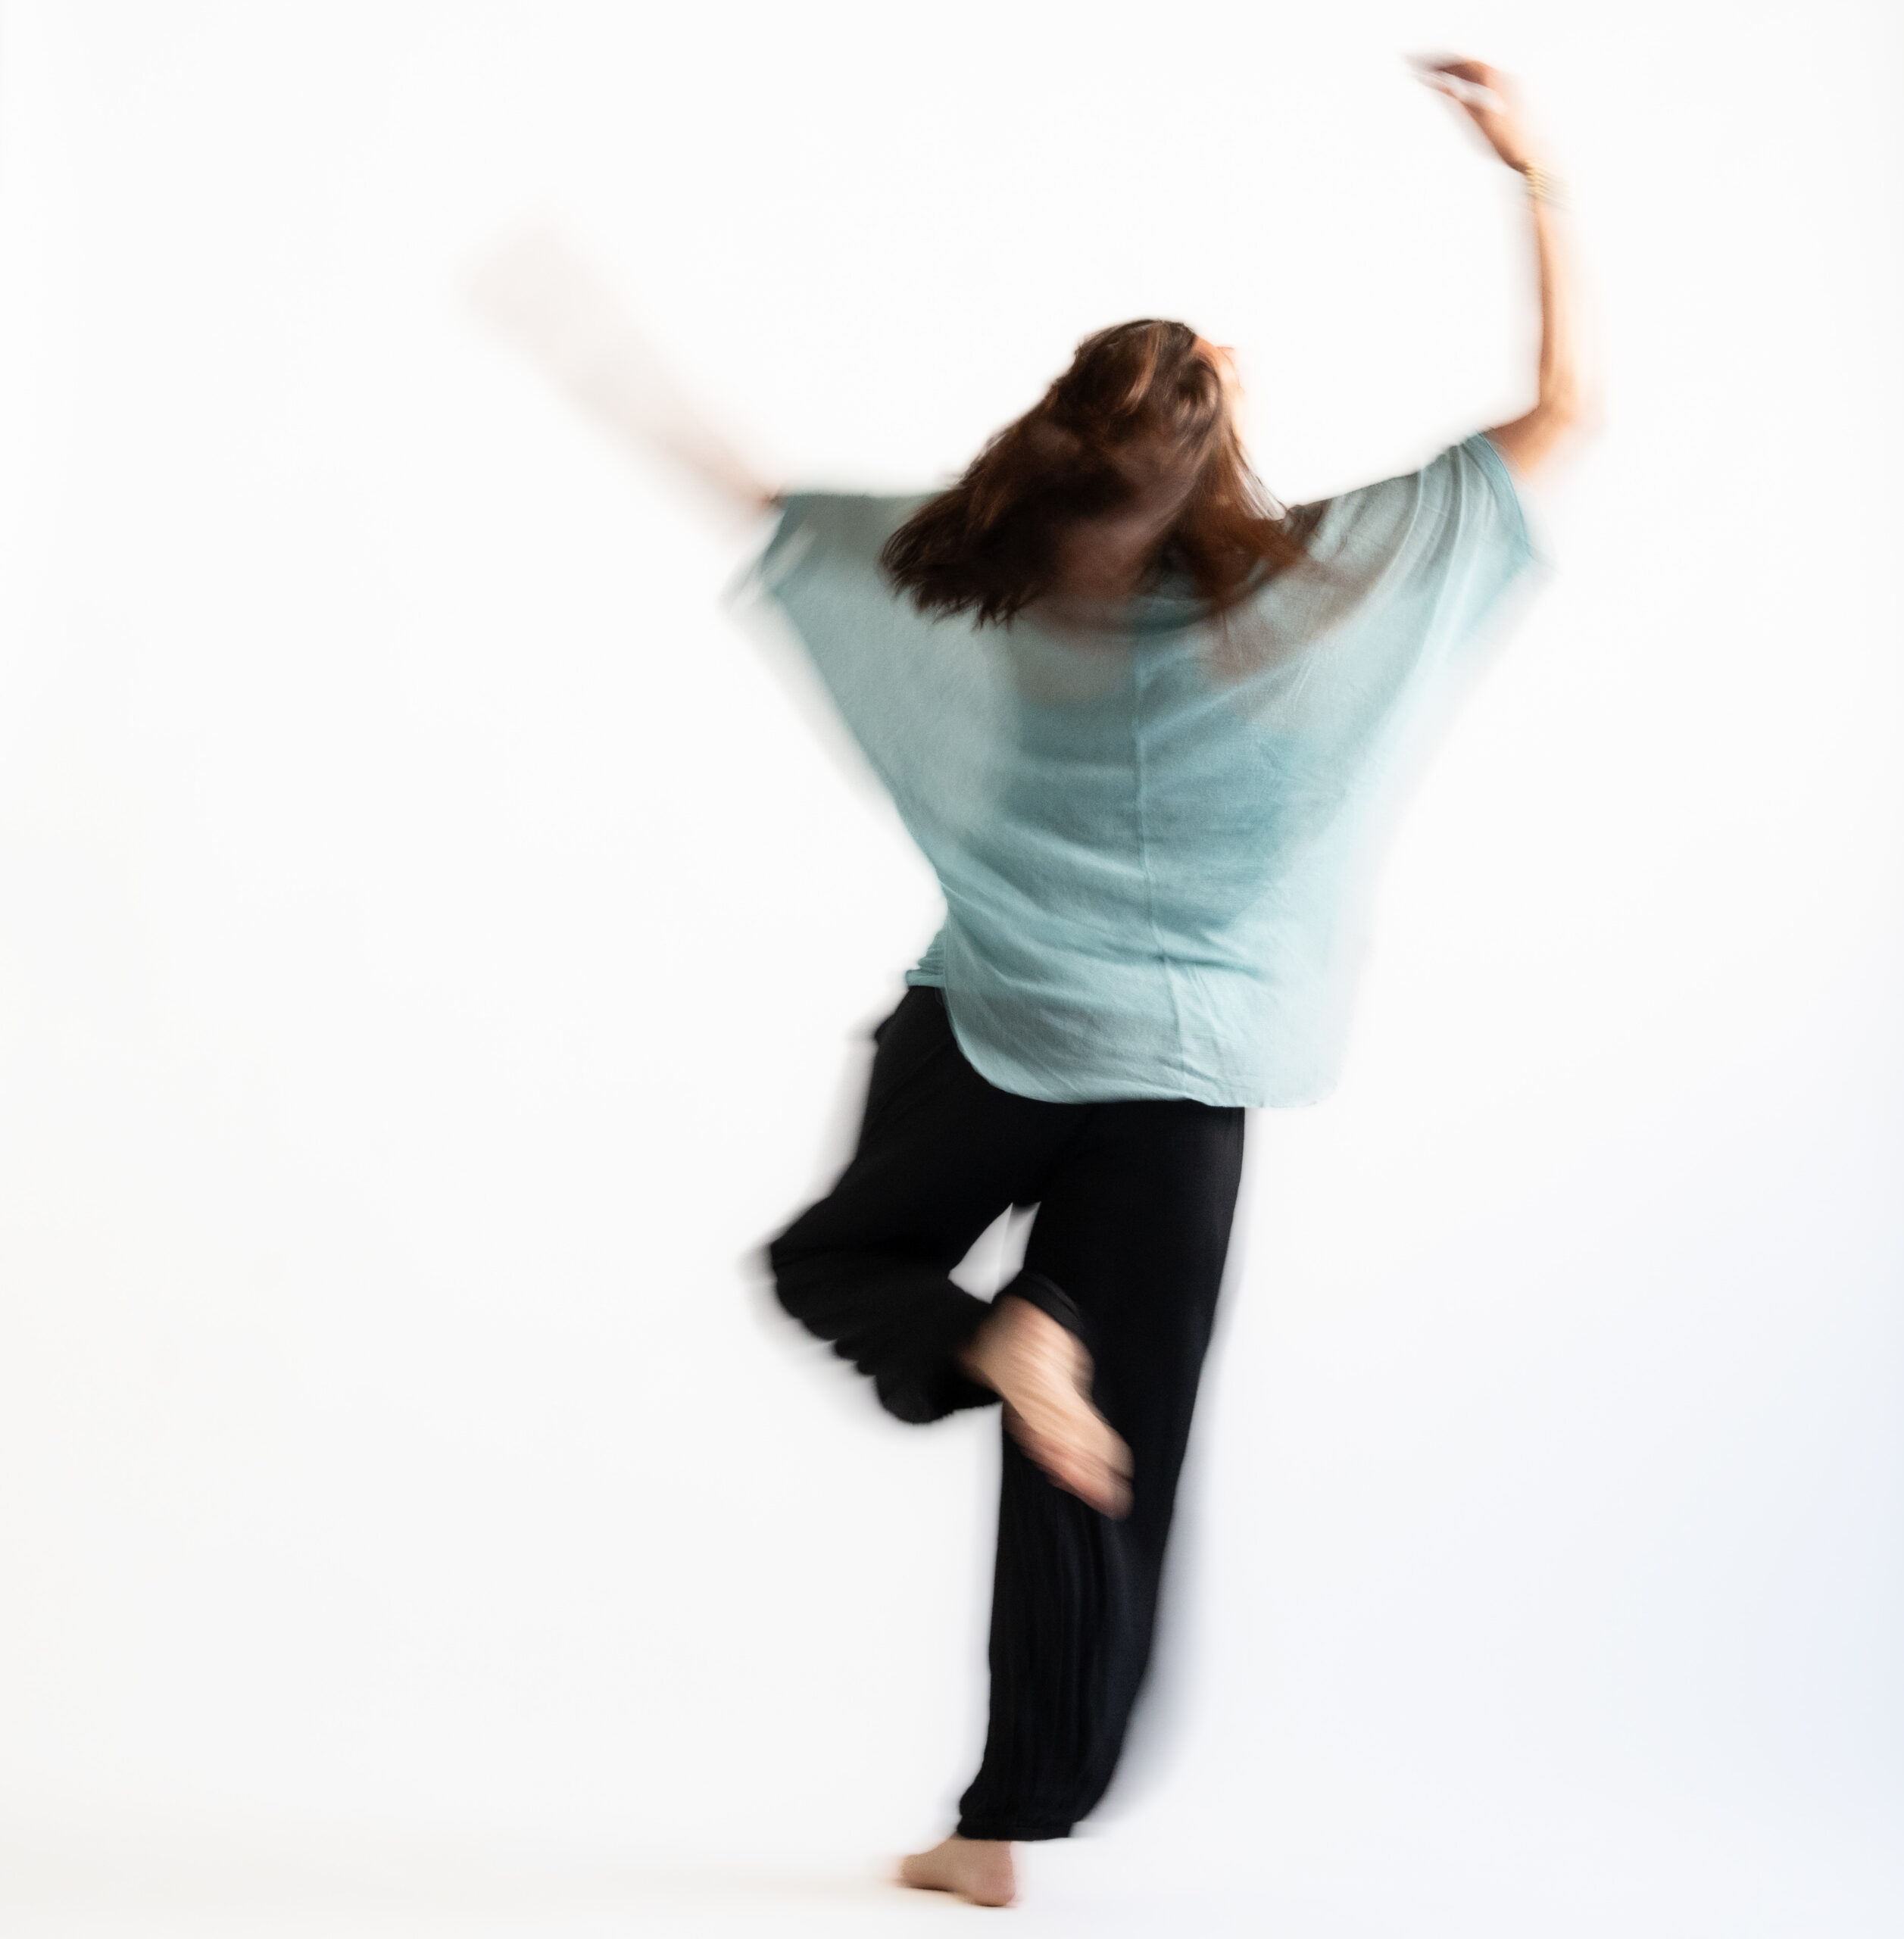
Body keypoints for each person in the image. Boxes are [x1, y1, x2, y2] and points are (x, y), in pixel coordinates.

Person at [473, 55, 1589, 1910]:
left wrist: (602, 361)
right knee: (1103, 1461)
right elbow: (1563, 411)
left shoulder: (979, 578)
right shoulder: (1326, 586)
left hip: (989, 1032)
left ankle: (992, 1334)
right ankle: (998, 1826)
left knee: (835, 1261)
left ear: (1056, 436)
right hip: (1188, 1072)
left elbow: (754, 498)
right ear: (1211, 444)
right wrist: (1530, 173)